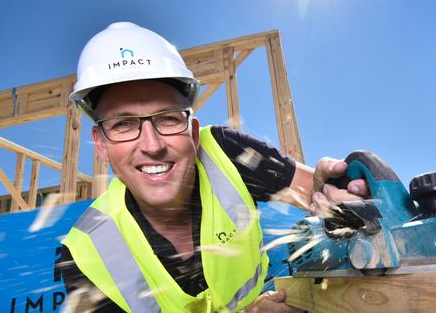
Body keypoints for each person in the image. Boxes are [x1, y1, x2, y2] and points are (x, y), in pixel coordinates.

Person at [60, 22, 369, 312]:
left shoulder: (228, 152)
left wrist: (329, 195)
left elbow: (314, 193)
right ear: (101, 144)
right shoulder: (85, 254)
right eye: (124, 124)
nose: (152, 146)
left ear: (193, 134)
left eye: (168, 118)